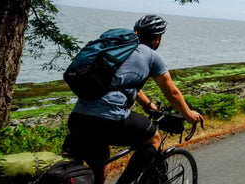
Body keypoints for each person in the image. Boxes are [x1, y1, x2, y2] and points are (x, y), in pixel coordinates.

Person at [65, 15, 202, 184]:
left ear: (137, 32)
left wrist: (149, 105)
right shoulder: (152, 56)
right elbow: (172, 93)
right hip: (109, 119)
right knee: (153, 138)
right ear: (158, 38)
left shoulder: (121, 52)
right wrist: (189, 114)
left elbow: (124, 85)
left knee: (99, 166)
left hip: (79, 117)